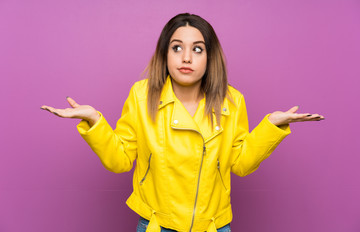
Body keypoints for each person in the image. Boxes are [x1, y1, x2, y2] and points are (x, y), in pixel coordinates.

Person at [41, 13, 324, 232]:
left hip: (213, 225)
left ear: (210, 56)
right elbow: (120, 160)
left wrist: (271, 127)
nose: (186, 57)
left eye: (197, 49)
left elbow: (240, 163)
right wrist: (94, 122)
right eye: (177, 47)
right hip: (156, 225)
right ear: (165, 53)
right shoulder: (141, 96)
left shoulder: (232, 100)